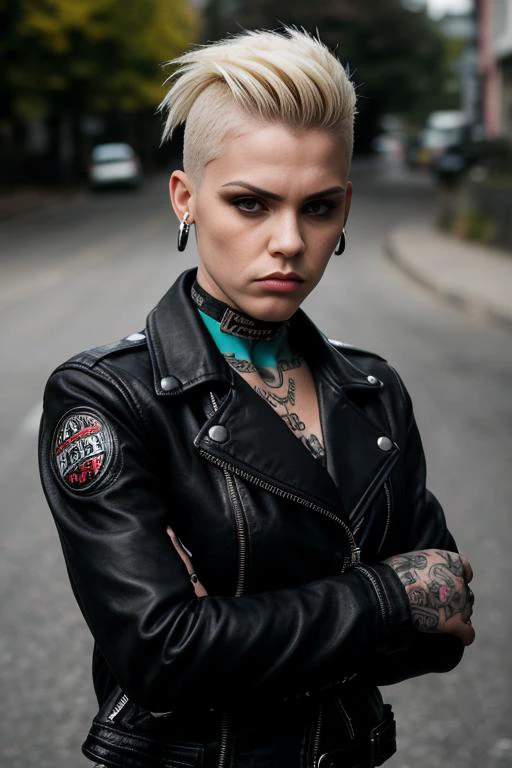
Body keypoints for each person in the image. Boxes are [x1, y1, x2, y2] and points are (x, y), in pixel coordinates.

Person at [38, 27, 475, 768]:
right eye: (250, 204)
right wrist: (387, 598)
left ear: (345, 209)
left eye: (318, 207)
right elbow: (163, 657)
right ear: (186, 198)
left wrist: (243, 627)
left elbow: (442, 637)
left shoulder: (372, 390)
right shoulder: (108, 397)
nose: (288, 242)